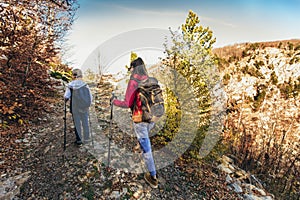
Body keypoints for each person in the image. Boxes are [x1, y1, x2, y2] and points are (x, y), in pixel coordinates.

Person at [112, 57, 158, 188]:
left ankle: (153, 177)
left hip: (140, 119)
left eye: (131, 67)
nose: (130, 70)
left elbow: (127, 103)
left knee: (147, 148)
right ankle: (139, 148)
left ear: (134, 67)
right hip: (151, 118)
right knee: (144, 139)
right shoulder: (149, 80)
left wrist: (114, 101)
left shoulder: (133, 81)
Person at [64, 68, 92, 146]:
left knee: (77, 123)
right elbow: (90, 96)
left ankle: (79, 139)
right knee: (85, 121)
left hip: (75, 106)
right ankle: (87, 138)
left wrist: (66, 100)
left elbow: (66, 96)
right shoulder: (85, 85)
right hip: (84, 106)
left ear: (73, 75)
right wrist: (88, 104)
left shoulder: (70, 85)